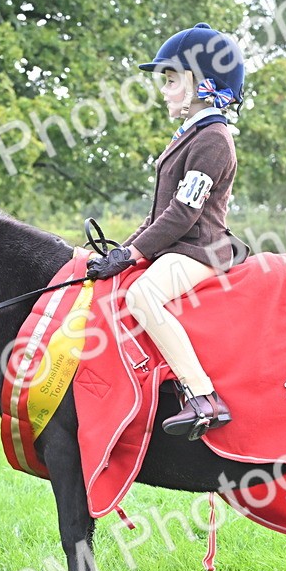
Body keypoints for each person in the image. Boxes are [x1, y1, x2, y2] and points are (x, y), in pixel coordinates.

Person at [87, 23, 245, 439]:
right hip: (177, 244)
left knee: (143, 293)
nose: (164, 90)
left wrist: (134, 254)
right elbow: (159, 214)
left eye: (172, 80)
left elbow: (183, 215)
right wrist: (121, 251)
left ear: (202, 85)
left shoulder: (214, 139)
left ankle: (202, 396)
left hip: (200, 249)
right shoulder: (190, 135)